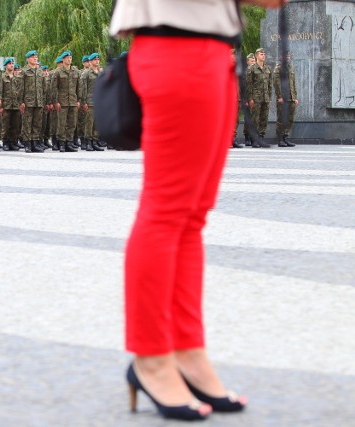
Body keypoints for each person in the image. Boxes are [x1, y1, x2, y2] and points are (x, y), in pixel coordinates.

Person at [110, 0, 285, 421]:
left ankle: (186, 352)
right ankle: (150, 359)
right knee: (168, 212)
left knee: (190, 218)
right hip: (177, 49)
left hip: (212, 53)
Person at [50, 50, 81, 152]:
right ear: (63, 59)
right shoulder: (57, 72)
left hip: (73, 100)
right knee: (61, 123)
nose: (69, 59)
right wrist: (55, 102)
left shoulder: (75, 71)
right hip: (62, 101)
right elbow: (53, 88)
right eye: (67, 58)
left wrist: (78, 100)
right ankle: (61, 143)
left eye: (70, 57)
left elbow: (78, 87)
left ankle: (69, 142)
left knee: (72, 123)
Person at [18, 50, 46, 153]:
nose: (35, 58)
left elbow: (44, 87)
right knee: (27, 123)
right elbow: (20, 88)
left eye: (36, 57)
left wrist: (43, 100)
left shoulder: (40, 71)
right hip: (28, 101)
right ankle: (27, 144)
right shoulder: (24, 71)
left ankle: (35, 143)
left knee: (37, 123)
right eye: (33, 57)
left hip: (39, 101)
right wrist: (21, 102)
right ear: (28, 59)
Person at [246, 48, 272, 148]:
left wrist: (269, 97)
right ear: (257, 56)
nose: (263, 55)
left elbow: (270, 84)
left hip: (265, 98)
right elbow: (249, 84)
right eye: (261, 54)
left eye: (264, 54)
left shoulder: (267, 68)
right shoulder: (252, 68)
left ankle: (261, 138)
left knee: (264, 119)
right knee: (255, 119)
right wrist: (250, 98)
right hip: (255, 98)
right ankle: (254, 140)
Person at [274, 53, 298, 147]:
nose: (287, 58)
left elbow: (293, 83)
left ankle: (285, 137)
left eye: (288, 56)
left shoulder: (291, 68)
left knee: (290, 119)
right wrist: (279, 96)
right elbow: (276, 83)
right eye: (285, 56)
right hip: (283, 98)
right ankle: (280, 139)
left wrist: (295, 97)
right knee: (281, 118)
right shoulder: (278, 68)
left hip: (291, 97)